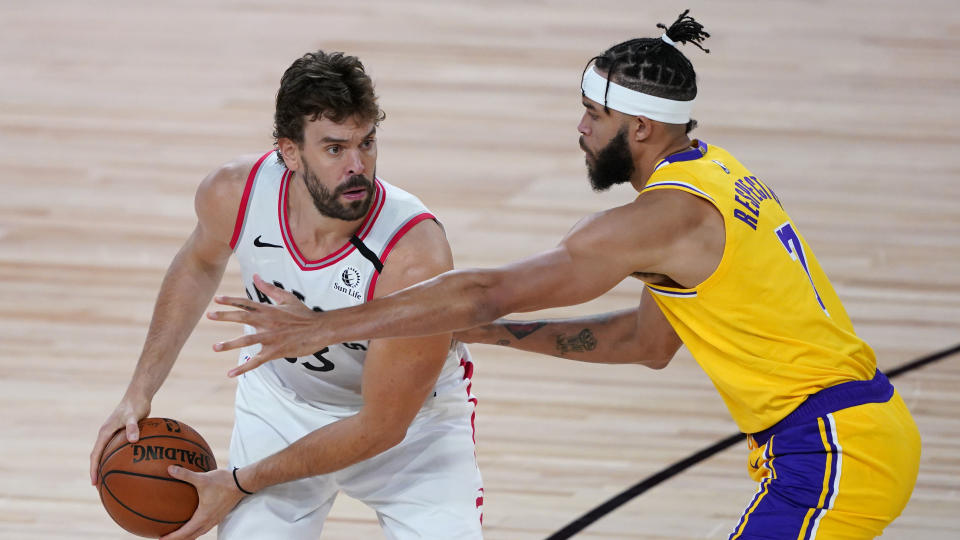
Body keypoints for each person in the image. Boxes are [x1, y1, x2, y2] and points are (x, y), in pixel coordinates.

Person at [208, 11, 922, 539]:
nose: (581, 128)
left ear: (638, 128)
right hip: (851, 436)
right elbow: (644, 344)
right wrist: (499, 334)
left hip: (827, 448)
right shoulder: (714, 176)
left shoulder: (655, 221)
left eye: (594, 113)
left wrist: (328, 327)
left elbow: (486, 285)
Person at [89, 50, 484, 540]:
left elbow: (381, 427)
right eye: (335, 149)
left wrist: (241, 481)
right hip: (282, 408)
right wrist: (139, 390)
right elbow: (198, 263)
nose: (357, 165)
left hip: (409, 434)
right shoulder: (236, 193)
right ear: (290, 152)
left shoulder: (413, 255)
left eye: (367, 143)